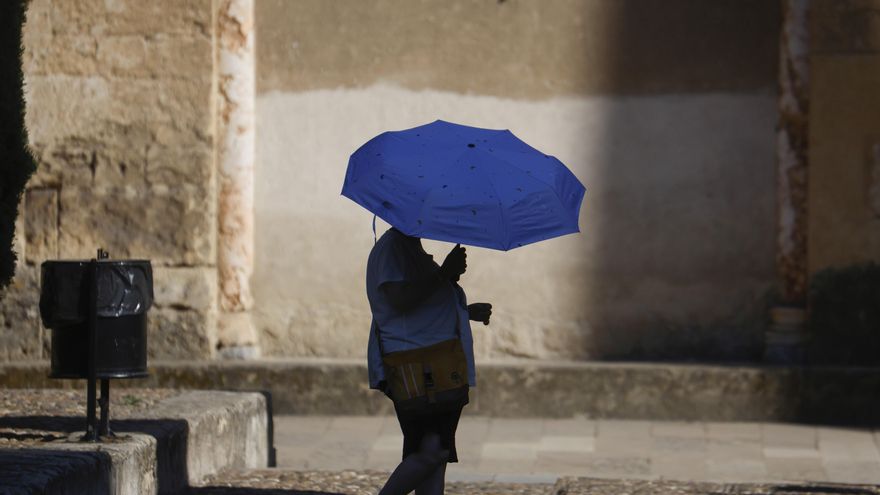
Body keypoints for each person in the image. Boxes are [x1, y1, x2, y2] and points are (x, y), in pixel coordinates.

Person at [366, 227, 492, 495]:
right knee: (432, 450)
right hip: (419, 366)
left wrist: (463, 311)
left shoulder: (409, 247)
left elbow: (419, 308)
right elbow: (400, 299)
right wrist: (443, 274)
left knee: (436, 458)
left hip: (436, 363)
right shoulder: (393, 247)